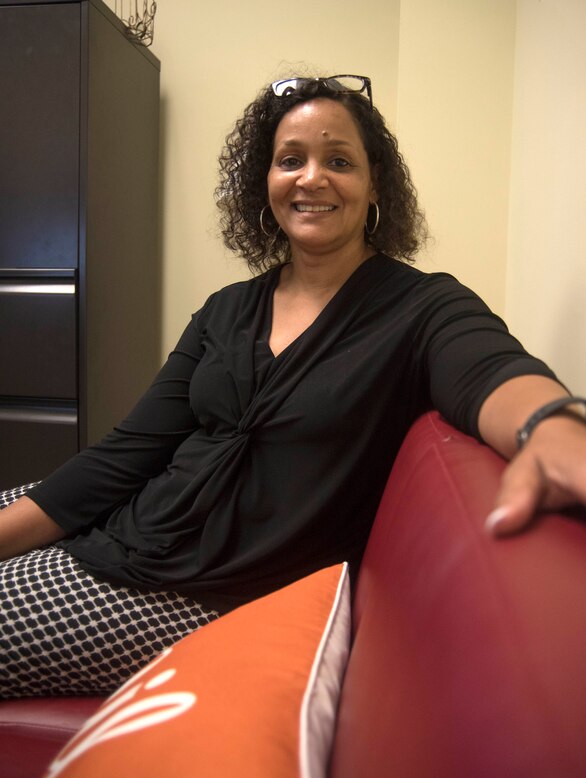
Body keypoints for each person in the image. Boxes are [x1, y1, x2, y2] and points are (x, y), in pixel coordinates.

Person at [1, 74, 585, 698]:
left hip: (196, 592)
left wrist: (550, 424)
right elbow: (128, 453)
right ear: (266, 183)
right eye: (290, 161)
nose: (312, 179)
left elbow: (489, 369)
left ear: (375, 184)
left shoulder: (423, 307)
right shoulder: (226, 309)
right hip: (130, 524)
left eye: (339, 161)